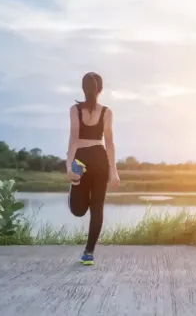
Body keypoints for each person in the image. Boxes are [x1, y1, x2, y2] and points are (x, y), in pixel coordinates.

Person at [66, 71, 120, 265]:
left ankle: (89, 252)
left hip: (82, 158)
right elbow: (110, 144)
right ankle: (89, 252)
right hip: (99, 158)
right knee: (96, 207)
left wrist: (68, 166)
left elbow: (73, 139)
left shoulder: (75, 109)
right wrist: (113, 170)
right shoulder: (106, 112)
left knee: (79, 210)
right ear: (100, 90)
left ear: (83, 88)